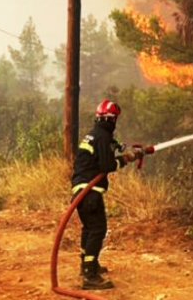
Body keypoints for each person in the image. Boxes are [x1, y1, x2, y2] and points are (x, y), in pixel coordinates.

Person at [70, 98, 137, 290]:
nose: (115, 122)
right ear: (110, 119)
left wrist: (119, 151)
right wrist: (125, 159)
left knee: (89, 228)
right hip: (89, 192)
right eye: (114, 118)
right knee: (98, 229)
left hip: (80, 190)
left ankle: (87, 264)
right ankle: (90, 275)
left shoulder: (94, 135)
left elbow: (102, 156)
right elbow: (107, 165)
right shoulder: (103, 137)